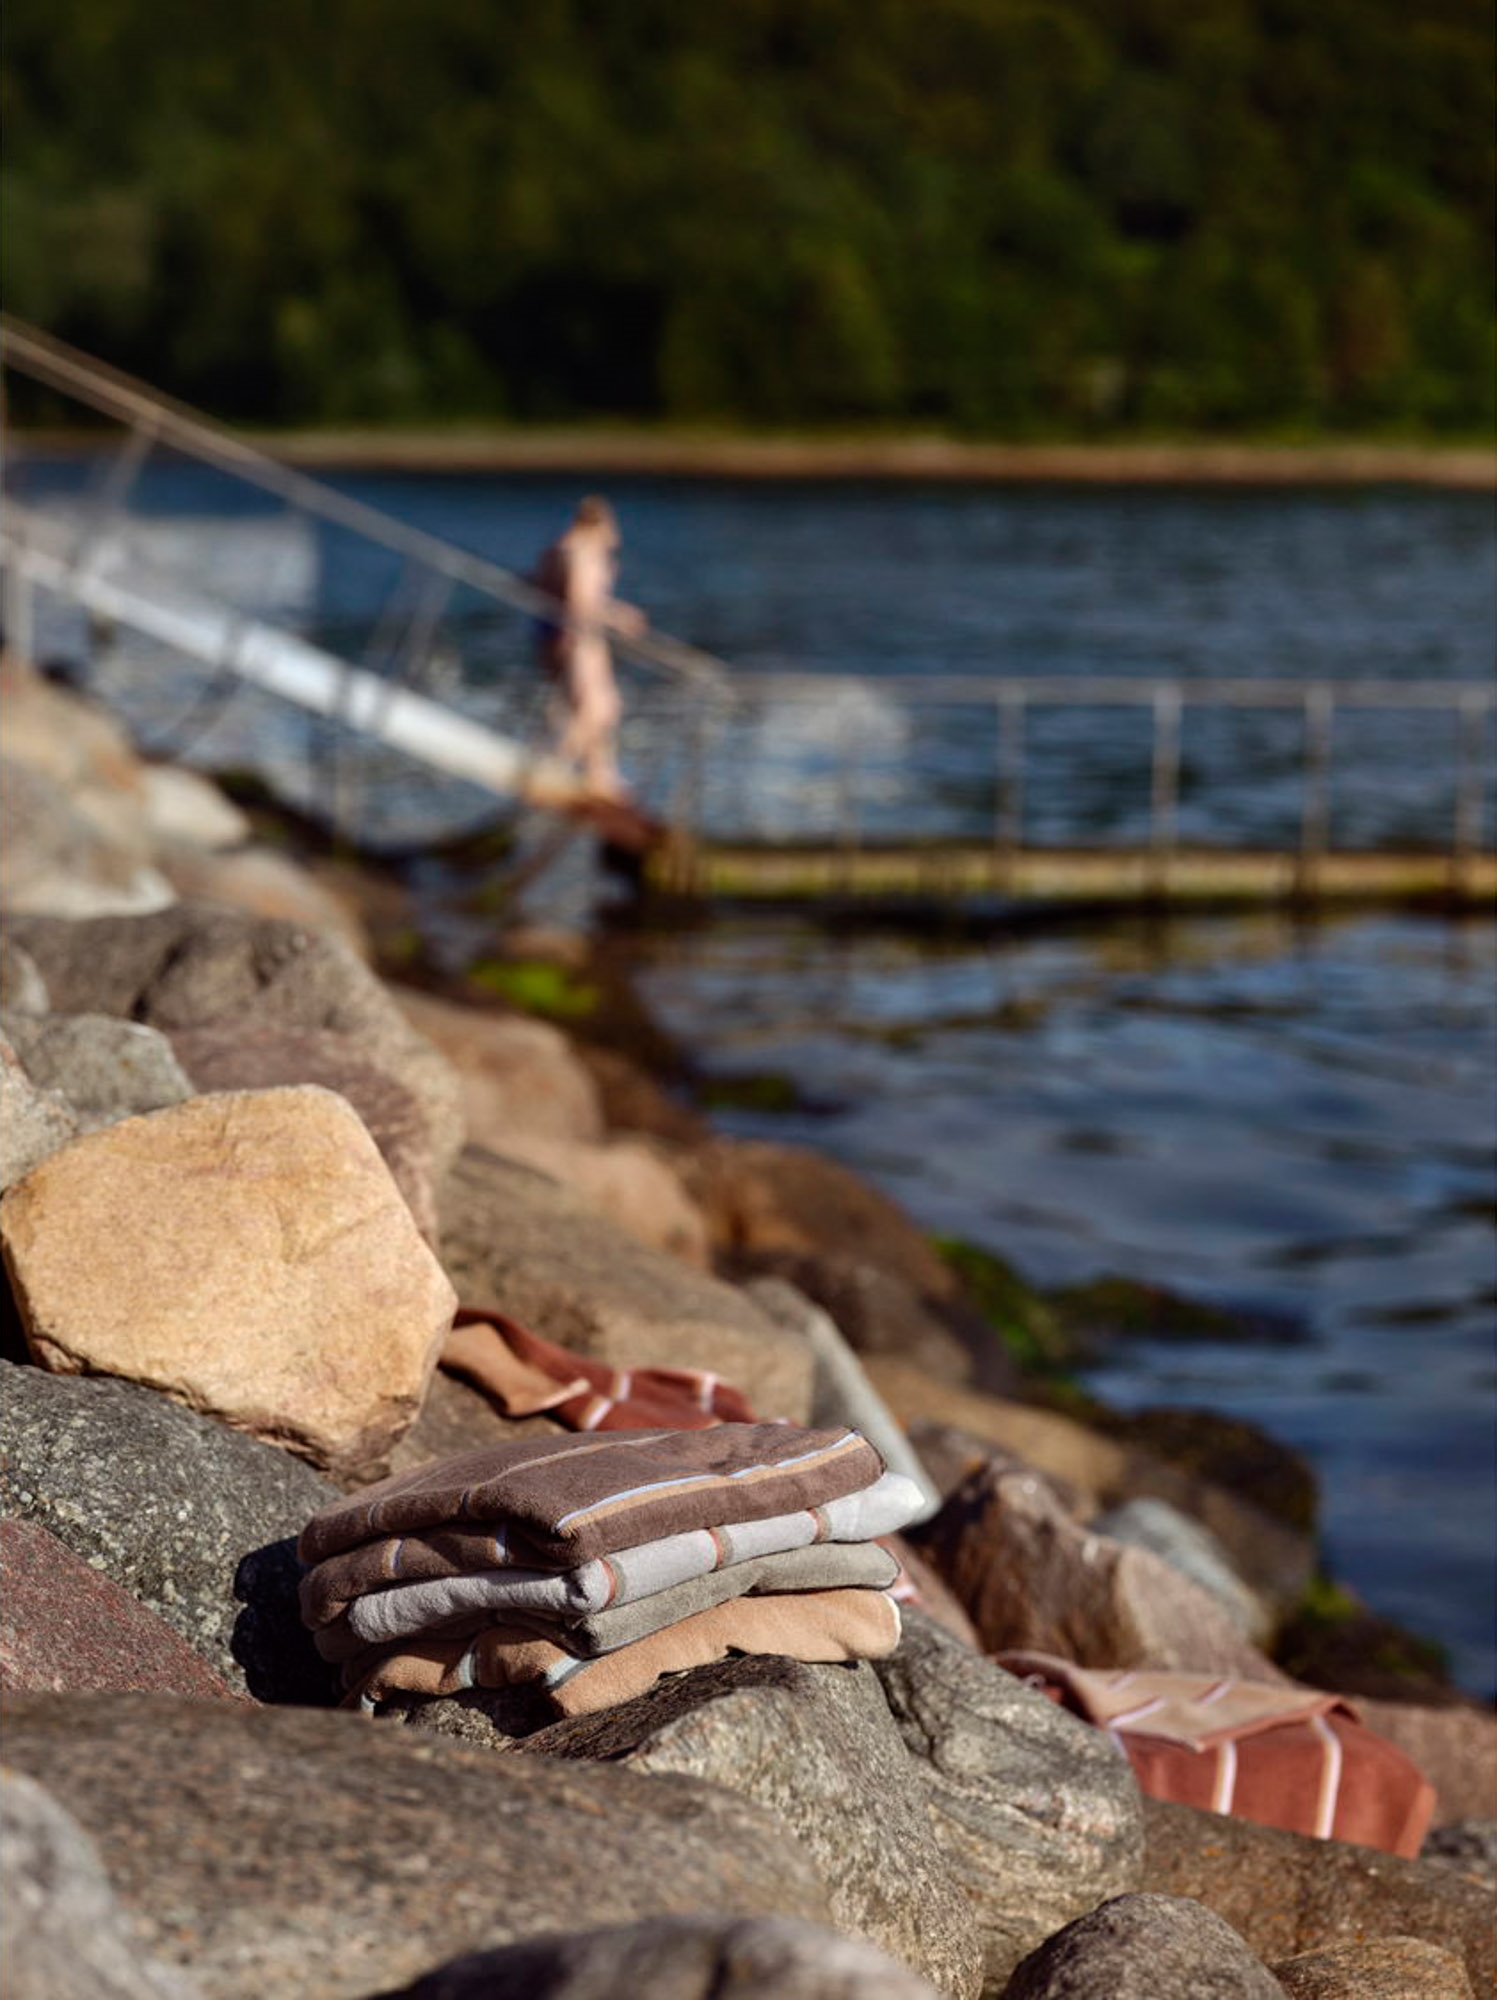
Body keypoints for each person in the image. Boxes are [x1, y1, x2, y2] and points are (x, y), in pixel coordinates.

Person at [532, 495, 646, 801]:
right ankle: (555, 768)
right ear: (601, 523)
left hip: (555, 635)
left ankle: (599, 774)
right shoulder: (583, 552)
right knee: (596, 710)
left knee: (595, 707)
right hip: (579, 639)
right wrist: (620, 617)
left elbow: (537, 587)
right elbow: (580, 603)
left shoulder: (557, 549)